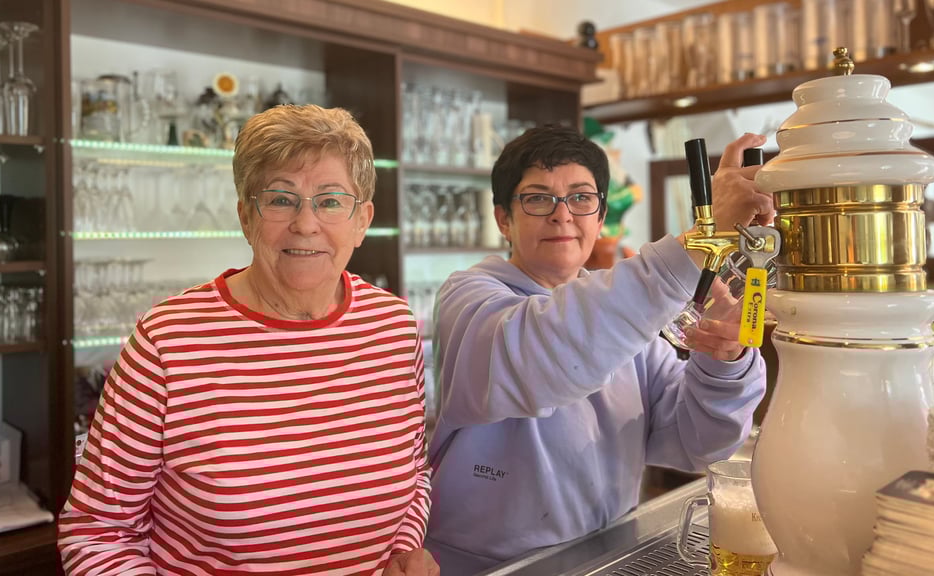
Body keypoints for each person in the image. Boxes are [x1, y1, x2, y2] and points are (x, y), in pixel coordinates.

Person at [59, 105, 438, 576]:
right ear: (245, 217)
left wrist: (402, 550)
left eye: (330, 201)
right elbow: (96, 531)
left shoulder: (393, 327)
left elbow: (415, 474)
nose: (306, 223)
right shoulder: (167, 343)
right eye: (280, 199)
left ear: (362, 220)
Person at [423, 126, 770, 572]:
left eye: (581, 198)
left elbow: (699, 443)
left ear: (601, 216)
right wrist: (701, 238)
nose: (562, 215)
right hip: (485, 567)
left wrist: (723, 361)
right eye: (538, 198)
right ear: (503, 219)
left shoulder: (627, 319)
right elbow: (547, 352)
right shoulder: (469, 299)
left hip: (604, 558)